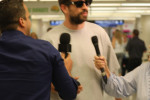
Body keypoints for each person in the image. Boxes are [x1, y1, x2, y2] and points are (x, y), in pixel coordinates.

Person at [0, 0, 82, 100]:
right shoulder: (46, 50)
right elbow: (69, 93)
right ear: (22, 21)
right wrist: (67, 71)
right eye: (28, 17)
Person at [41, 0, 120, 100]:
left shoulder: (99, 33)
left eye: (87, 3)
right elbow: (40, 81)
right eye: (79, 3)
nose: (85, 7)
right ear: (64, 8)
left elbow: (114, 74)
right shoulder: (48, 40)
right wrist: (63, 83)